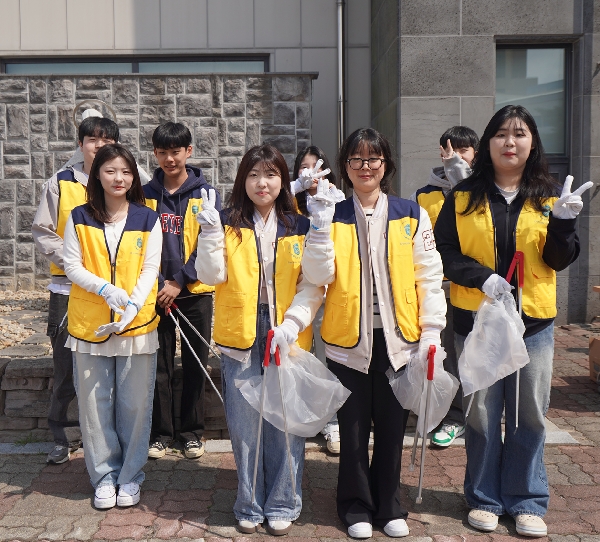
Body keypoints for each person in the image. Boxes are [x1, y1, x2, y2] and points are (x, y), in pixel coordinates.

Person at [434, 105, 592, 538]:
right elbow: (444, 251)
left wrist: (564, 224)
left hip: (532, 324)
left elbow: (558, 260)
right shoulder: (463, 196)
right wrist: (480, 277)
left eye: (520, 134)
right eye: (501, 134)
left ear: (532, 143)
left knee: (529, 414)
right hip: (477, 321)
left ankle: (526, 500)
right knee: (482, 414)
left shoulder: (549, 196)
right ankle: (484, 497)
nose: (510, 142)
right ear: (488, 143)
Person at [302, 127, 446, 539]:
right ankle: (355, 506)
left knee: (391, 428)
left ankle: (389, 506)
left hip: (399, 342)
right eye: (356, 159)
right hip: (347, 343)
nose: (365, 167)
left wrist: (431, 332)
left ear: (386, 164)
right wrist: (319, 227)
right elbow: (316, 277)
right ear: (345, 166)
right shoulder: (331, 212)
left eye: (374, 159)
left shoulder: (410, 213)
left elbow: (428, 277)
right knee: (351, 430)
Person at [195, 144, 323, 536]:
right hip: (241, 328)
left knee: (285, 421)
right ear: (242, 181)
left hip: (286, 327)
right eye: (253, 175)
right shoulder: (225, 221)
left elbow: (313, 284)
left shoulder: (299, 225)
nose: (261, 183)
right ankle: (249, 503)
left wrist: (292, 324)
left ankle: (283, 501)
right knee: (244, 422)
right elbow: (210, 275)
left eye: (270, 174)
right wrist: (209, 234)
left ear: (284, 180)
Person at [63, 143, 162, 510]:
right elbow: (72, 265)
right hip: (90, 325)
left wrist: (133, 304)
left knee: (135, 405)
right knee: (94, 406)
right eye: (110, 171)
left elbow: (150, 268)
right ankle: (103, 476)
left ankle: (130, 475)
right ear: (97, 175)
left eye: (126, 171)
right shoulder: (79, 216)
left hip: (137, 326)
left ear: (134, 176)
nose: (119, 178)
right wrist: (105, 289)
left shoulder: (147, 217)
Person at [31, 110, 119, 465]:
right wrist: (74, 262)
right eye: (92, 139)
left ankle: (110, 435)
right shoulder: (61, 182)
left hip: (112, 290)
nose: (99, 146)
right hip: (68, 289)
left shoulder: (122, 182)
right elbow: (42, 231)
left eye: (106, 140)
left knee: (112, 363)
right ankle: (64, 437)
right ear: (80, 144)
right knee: (66, 365)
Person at [144, 122, 221, 460]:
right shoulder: (144, 195)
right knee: (157, 367)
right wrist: (160, 282)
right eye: (162, 152)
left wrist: (180, 280)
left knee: (195, 365)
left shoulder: (206, 194)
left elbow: (210, 243)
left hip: (195, 292)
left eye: (175, 151)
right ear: (155, 154)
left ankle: (191, 433)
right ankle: (160, 435)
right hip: (155, 293)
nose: (169, 159)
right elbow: (137, 242)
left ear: (188, 151)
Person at [409, 125, 479, 448]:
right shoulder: (424, 196)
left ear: (476, 153)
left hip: (478, 287)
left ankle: (478, 415)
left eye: (465, 150)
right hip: (442, 289)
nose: (457, 155)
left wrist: (458, 172)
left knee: (477, 355)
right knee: (447, 353)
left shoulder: (482, 189)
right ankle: (452, 417)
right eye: (452, 149)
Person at [290, 145, 345, 454]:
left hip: (328, 293)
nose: (310, 173)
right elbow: (269, 197)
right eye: (304, 167)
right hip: (295, 294)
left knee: (327, 360)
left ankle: (332, 423)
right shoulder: (289, 205)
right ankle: (300, 419)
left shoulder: (337, 200)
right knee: (298, 357)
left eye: (316, 167)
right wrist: (297, 187)